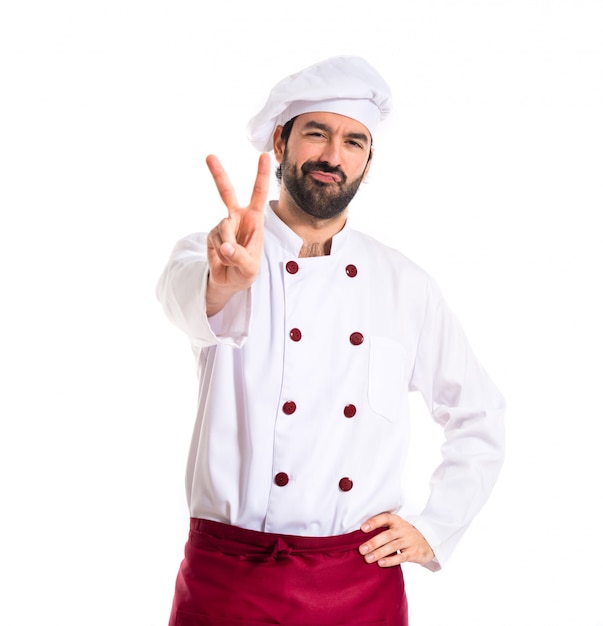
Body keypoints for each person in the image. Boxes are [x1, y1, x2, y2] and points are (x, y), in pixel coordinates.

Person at [156, 55, 505, 626]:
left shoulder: (404, 283)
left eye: (354, 142)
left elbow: (479, 412)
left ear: (369, 162)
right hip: (229, 580)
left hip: (357, 584)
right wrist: (221, 283)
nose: (332, 156)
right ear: (281, 140)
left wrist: (433, 527)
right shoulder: (214, 251)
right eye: (316, 133)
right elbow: (186, 300)